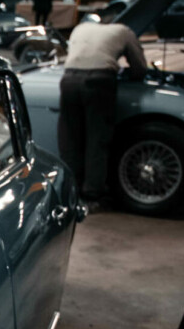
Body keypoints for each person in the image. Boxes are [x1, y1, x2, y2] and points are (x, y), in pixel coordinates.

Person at [58, 20, 149, 205]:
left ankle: (70, 188)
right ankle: (92, 192)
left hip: (68, 79)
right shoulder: (124, 30)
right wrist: (134, 76)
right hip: (99, 81)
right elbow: (139, 66)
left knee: (70, 137)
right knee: (97, 137)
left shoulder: (81, 28)